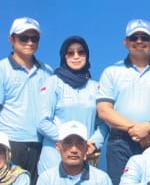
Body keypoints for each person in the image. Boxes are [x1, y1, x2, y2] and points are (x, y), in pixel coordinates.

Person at [96, 19, 150, 185]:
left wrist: (148, 127)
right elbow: (104, 110)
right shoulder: (111, 71)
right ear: (126, 42)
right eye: (134, 38)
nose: (139, 41)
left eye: (144, 37)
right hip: (121, 142)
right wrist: (136, 129)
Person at [0, 16, 52, 185]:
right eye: (24, 38)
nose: (29, 42)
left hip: (40, 144)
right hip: (11, 144)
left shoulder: (47, 71)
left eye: (34, 38)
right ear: (11, 39)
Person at [36, 35, 104, 174]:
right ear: (64, 56)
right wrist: (71, 141)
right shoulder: (53, 83)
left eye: (81, 52)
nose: (76, 56)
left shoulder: (96, 87)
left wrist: (94, 143)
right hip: (54, 157)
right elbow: (42, 122)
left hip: (84, 156)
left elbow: (104, 124)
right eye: (70, 53)